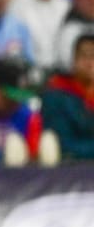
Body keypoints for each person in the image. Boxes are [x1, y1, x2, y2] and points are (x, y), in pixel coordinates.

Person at [41, 33, 94, 161]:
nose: (90, 62)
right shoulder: (57, 95)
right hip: (69, 174)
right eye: (85, 56)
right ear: (74, 61)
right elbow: (61, 146)